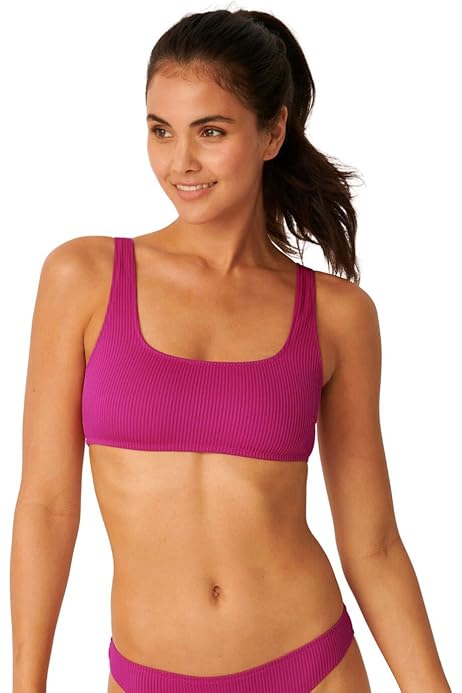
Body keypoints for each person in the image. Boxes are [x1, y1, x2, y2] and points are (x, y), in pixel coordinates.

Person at [10, 8, 451, 693]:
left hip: (311, 665)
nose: (180, 161)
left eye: (210, 131)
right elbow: (45, 506)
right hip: (148, 675)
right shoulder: (84, 278)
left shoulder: (337, 315)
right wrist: (26, 683)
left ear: (272, 132)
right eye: (161, 130)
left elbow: (374, 545)